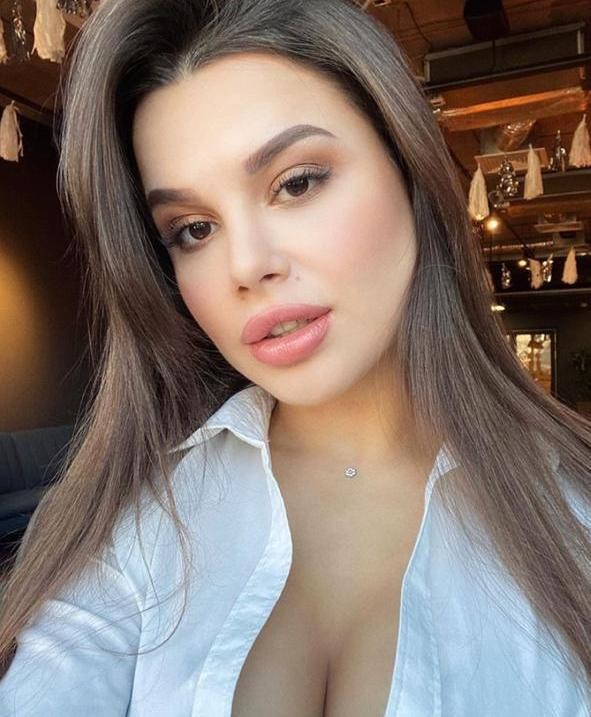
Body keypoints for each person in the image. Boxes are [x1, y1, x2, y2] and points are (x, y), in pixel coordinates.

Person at [0, 0, 590, 714]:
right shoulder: (137, 521)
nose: (245, 265)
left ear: (408, 167)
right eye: (193, 229)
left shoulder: (573, 511)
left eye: (297, 182)